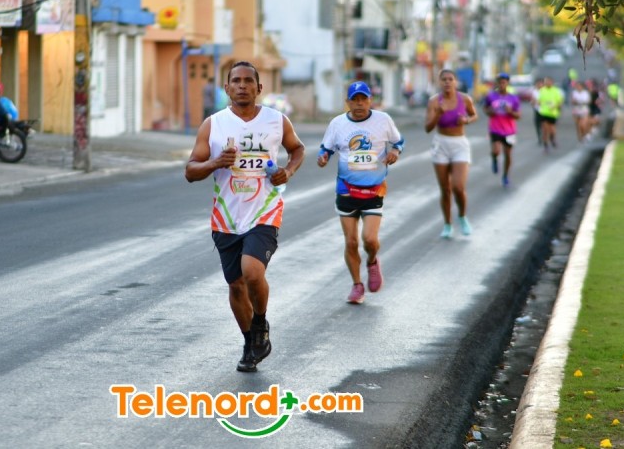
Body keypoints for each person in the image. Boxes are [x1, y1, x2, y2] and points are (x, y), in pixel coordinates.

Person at [185, 61, 305, 373]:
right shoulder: (213, 125)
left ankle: (260, 323)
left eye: (248, 81)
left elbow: (297, 149)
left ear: (259, 88)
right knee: (236, 285)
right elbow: (190, 171)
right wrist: (214, 163)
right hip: (226, 216)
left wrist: (288, 171)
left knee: (251, 272)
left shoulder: (276, 120)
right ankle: (251, 342)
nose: (242, 86)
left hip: (265, 210)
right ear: (227, 88)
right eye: (236, 81)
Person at [317, 81, 404, 304]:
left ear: (370, 100)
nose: (359, 104)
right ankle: (357, 285)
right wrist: (323, 157)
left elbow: (398, 141)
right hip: (346, 189)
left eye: (363, 99)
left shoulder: (383, 120)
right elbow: (326, 148)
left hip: (374, 189)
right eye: (354, 100)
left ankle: (372, 261)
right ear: (347, 102)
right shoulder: (337, 123)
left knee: (370, 240)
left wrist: (395, 152)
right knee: (351, 242)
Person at [424, 69, 478, 238]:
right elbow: (428, 128)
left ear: (455, 82)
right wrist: (438, 114)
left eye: (450, 79)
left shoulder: (465, 99)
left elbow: (474, 115)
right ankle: (447, 224)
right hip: (441, 144)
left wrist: (466, 120)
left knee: (458, 187)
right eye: (444, 79)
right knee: (445, 189)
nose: (447, 82)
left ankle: (462, 216)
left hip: (459, 144)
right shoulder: (434, 102)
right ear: (439, 82)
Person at [483, 73, 521, 188]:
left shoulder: (513, 98)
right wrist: (490, 111)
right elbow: (485, 109)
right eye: (499, 82)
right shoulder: (491, 96)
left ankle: (505, 176)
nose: (501, 85)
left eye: (504, 82)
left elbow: (518, 115)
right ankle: (494, 159)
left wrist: (510, 112)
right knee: (496, 150)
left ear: (507, 83)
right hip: (495, 129)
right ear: (497, 83)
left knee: (508, 154)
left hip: (510, 131)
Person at [537, 76, 565, 152]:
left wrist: (555, 106)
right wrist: (537, 103)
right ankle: (545, 145)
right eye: (546, 82)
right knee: (545, 130)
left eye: (548, 81)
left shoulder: (556, 91)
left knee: (552, 130)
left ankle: (552, 138)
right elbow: (538, 101)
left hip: (553, 113)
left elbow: (560, 102)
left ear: (552, 82)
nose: (547, 83)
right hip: (543, 113)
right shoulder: (542, 90)